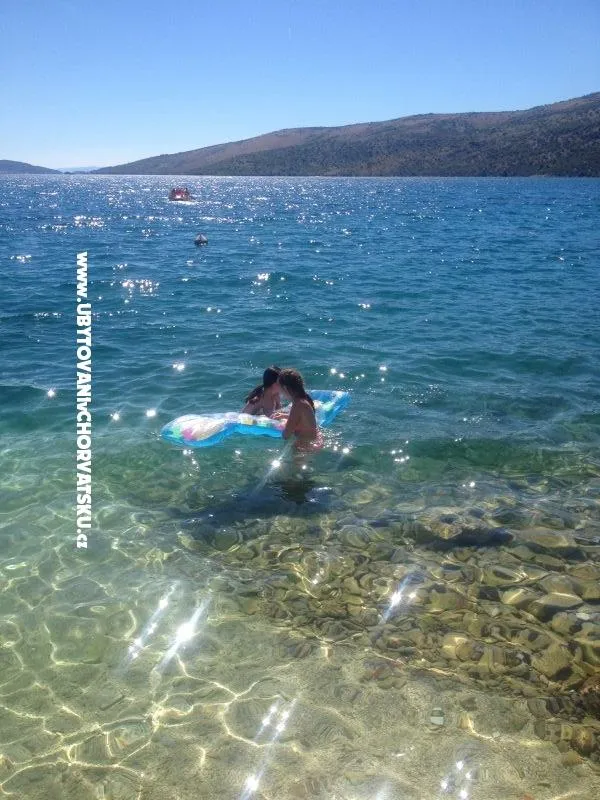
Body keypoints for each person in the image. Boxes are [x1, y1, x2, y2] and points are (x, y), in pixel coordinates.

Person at [277, 368, 323, 451]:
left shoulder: (298, 405)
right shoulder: (303, 400)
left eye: (279, 387)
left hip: (306, 445)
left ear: (285, 388)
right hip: (314, 440)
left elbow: (286, 435)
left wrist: (277, 427)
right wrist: (285, 416)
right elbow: (302, 419)